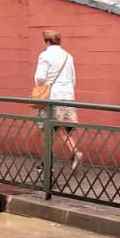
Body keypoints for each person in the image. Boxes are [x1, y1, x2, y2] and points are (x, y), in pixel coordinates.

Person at [33, 30, 82, 171]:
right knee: (60, 127)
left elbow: (40, 77)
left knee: (46, 129)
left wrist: (40, 89)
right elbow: (73, 78)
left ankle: (47, 164)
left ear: (47, 41)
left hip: (51, 97)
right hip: (67, 96)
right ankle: (74, 151)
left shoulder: (45, 55)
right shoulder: (68, 56)